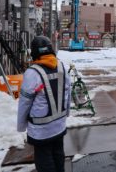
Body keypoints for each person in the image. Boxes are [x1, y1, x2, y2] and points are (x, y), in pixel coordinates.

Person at [17, 36, 71, 172]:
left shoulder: (32, 73)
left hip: (41, 130)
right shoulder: (63, 67)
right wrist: (67, 113)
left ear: (34, 53)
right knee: (59, 156)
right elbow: (67, 93)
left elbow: (25, 102)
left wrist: (21, 126)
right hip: (59, 125)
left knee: (44, 161)